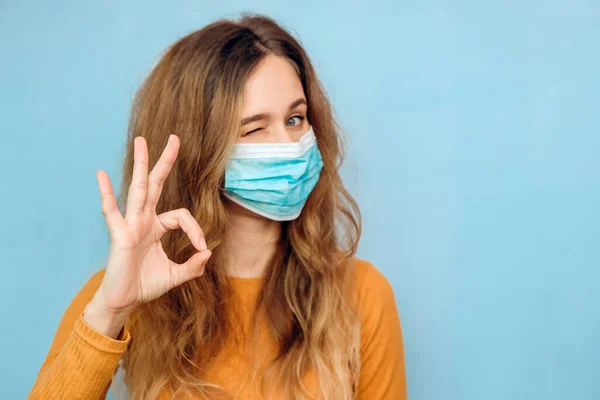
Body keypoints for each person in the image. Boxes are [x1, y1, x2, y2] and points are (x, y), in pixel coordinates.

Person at [28, 13, 407, 400]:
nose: (291, 143)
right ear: (200, 150)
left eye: (296, 118)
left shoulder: (361, 293)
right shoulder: (127, 292)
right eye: (255, 128)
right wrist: (109, 311)